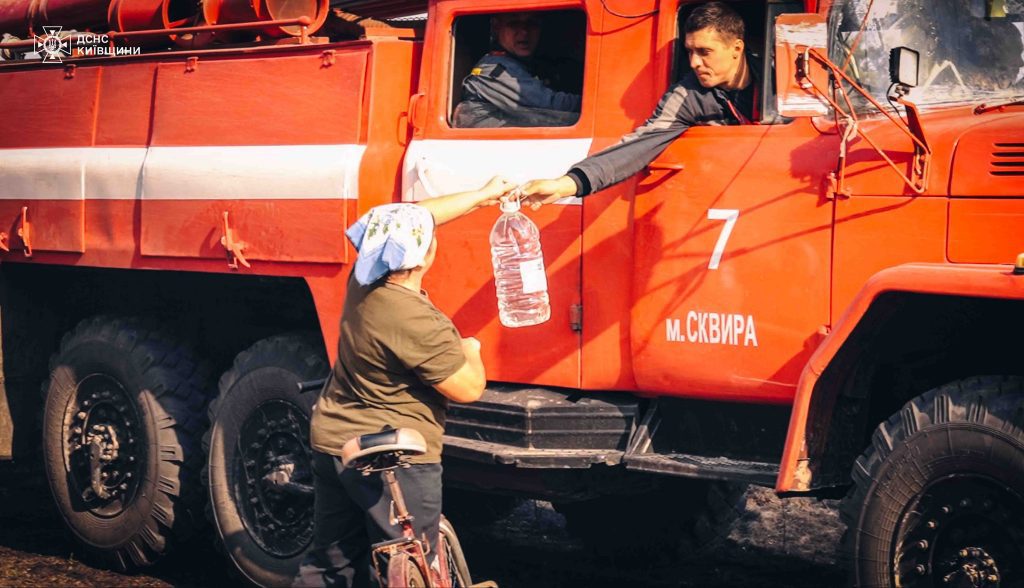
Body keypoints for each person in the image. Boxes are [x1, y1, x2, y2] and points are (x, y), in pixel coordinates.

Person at [293, 177, 515, 588]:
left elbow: (422, 218)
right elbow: (468, 389)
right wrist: (472, 350)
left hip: (333, 444)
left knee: (330, 564)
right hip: (395, 460)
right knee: (415, 566)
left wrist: (481, 195)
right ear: (427, 254)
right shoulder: (416, 320)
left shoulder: (363, 283)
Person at [519, 2, 758, 206]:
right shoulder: (687, 95)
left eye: (704, 52)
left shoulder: (777, 79)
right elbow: (638, 145)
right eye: (689, 51)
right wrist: (566, 184)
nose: (694, 63)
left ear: (736, 48)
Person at [453, 11, 582, 128]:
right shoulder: (494, 70)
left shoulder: (527, 65)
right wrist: (595, 103)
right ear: (496, 27)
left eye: (532, 24)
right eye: (514, 23)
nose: (524, 32)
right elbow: (550, 106)